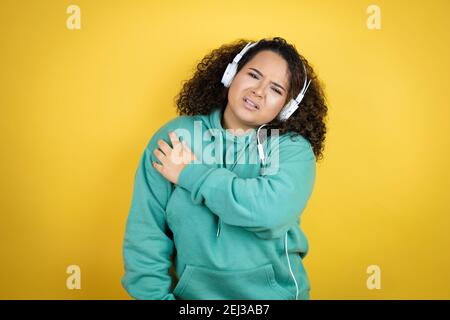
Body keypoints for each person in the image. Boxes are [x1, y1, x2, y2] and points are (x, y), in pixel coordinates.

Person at [121, 37, 328, 300]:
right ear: (231, 73)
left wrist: (190, 174)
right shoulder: (177, 136)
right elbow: (146, 233)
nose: (259, 92)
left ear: (287, 107)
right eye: (253, 75)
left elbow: (266, 212)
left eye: (276, 89)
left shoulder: (292, 150)